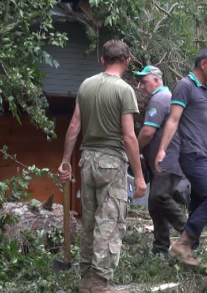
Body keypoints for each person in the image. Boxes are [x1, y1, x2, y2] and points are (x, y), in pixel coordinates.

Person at [58, 39, 146, 293]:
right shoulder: (124, 90)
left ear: (102, 60)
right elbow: (129, 137)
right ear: (127, 62)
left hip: (87, 162)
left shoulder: (86, 85)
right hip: (111, 163)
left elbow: (74, 126)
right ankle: (99, 283)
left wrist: (66, 162)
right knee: (110, 222)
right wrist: (138, 176)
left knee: (89, 221)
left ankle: (86, 279)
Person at [154, 48, 207, 267]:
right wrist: (161, 150)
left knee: (198, 203)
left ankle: (187, 256)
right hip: (194, 155)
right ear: (203, 64)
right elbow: (173, 120)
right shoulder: (185, 86)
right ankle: (183, 244)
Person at [134, 65, 186, 255]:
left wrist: (133, 151)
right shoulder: (164, 98)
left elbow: (148, 132)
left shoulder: (159, 98)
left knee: (159, 197)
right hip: (161, 162)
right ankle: (160, 249)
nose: (141, 86)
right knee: (155, 206)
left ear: (156, 80)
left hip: (168, 160)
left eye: (144, 81)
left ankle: (189, 232)